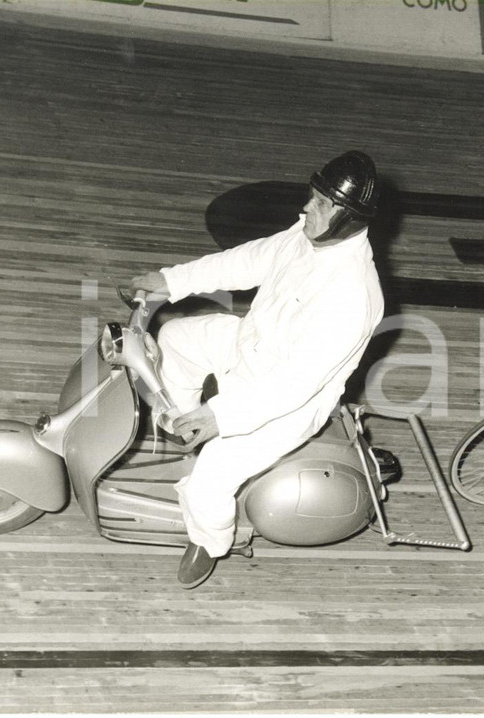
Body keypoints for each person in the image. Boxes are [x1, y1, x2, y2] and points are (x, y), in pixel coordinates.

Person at [130, 150, 385, 589]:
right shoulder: (308, 236)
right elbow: (247, 260)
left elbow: (295, 382)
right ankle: (183, 429)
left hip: (285, 403)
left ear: (347, 218)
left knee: (209, 481)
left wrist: (220, 416)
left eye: (321, 204)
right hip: (250, 343)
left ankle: (208, 542)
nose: (307, 207)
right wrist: (173, 280)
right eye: (313, 196)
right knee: (176, 338)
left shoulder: (353, 294)